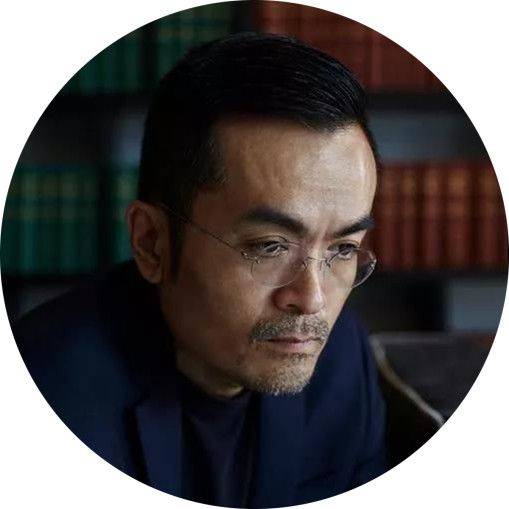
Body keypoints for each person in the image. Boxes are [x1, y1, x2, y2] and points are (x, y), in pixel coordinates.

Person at [14, 32, 386, 507]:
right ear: (152, 243)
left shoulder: (342, 358)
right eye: (270, 246)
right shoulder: (42, 392)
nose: (312, 300)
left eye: (343, 248)